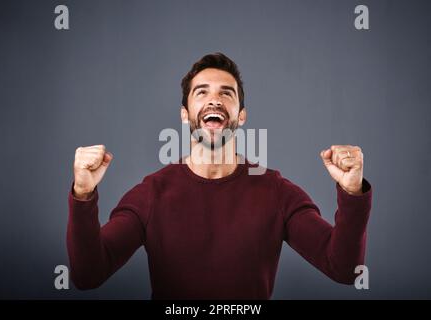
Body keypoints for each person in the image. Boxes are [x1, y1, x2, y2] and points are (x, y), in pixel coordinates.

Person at [67, 52, 372, 299]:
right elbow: (88, 275)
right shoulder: (151, 194)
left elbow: (344, 270)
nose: (214, 100)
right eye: (202, 93)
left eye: (226, 94)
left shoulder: (276, 192)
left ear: (241, 115)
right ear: (185, 113)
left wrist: (352, 193)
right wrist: (83, 194)